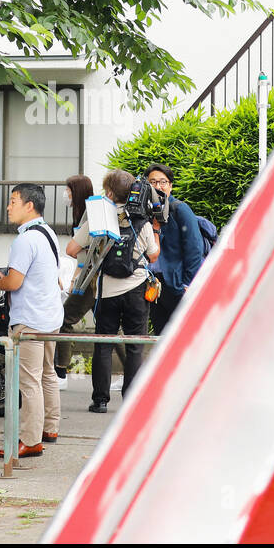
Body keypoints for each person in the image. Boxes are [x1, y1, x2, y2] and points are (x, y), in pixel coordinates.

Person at [66, 170, 159, 414]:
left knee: (103, 344)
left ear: (109, 192)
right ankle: (132, 399)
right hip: (137, 289)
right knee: (135, 344)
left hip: (106, 291)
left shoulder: (98, 219)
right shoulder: (142, 220)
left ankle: (100, 401)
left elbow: (71, 248)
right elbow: (153, 254)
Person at [0, 184, 64, 455]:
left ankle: (30, 439)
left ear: (29, 206)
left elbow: (14, 282)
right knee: (47, 373)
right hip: (50, 314)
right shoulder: (48, 232)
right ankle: (50, 427)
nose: (9, 207)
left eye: (13, 201)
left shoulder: (24, 240)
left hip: (30, 318)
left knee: (29, 382)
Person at [145, 163, 204, 335]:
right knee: (160, 334)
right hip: (154, 284)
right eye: (153, 182)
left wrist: (186, 282)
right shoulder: (145, 211)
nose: (158, 186)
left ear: (170, 185)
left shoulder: (180, 209)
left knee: (183, 334)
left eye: (163, 182)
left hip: (176, 282)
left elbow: (194, 247)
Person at [55, 174, 95, 389]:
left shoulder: (89, 212)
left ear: (77, 191)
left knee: (65, 319)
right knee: (111, 328)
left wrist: (76, 275)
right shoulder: (84, 212)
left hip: (88, 276)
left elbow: (81, 249)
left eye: (69, 190)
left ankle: (60, 373)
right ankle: (138, 376)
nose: (66, 194)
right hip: (91, 275)